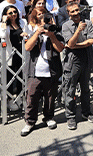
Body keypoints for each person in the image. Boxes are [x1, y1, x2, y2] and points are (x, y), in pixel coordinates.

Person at [20, 7, 65, 137]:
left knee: (50, 98)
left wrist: (51, 35)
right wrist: (37, 32)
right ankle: (30, 122)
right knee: (32, 99)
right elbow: (27, 47)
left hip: (51, 72)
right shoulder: (34, 33)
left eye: (48, 21)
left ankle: (49, 117)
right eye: (43, 22)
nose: (46, 24)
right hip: (34, 72)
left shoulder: (56, 34)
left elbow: (60, 49)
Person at [61, 2, 93, 130]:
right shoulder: (65, 26)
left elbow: (91, 41)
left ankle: (86, 112)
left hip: (86, 59)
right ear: (68, 13)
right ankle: (70, 116)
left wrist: (77, 46)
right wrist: (78, 31)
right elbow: (70, 43)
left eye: (77, 10)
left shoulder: (87, 22)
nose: (76, 13)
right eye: (73, 11)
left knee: (86, 89)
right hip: (72, 61)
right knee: (70, 89)